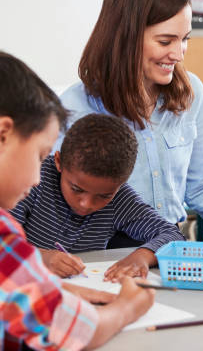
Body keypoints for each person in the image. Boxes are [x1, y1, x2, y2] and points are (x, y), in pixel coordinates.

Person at [0, 52, 154, 350]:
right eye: (39, 155)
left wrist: (55, 291)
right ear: (2, 136)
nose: (38, 178)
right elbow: (74, 333)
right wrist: (128, 307)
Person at [58, 0, 203, 224]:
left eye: (185, 39)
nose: (178, 54)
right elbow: (55, 204)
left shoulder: (192, 94)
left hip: (167, 250)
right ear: (126, 39)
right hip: (100, 256)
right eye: (165, 42)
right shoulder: (74, 106)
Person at [10, 113, 185, 280]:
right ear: (59, 162)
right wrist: (40, 258)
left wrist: (142, 257)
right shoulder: (32, 179)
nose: (86, 204)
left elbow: (172, 234)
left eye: (104, 196)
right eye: (76, 189)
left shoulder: (119, 199)